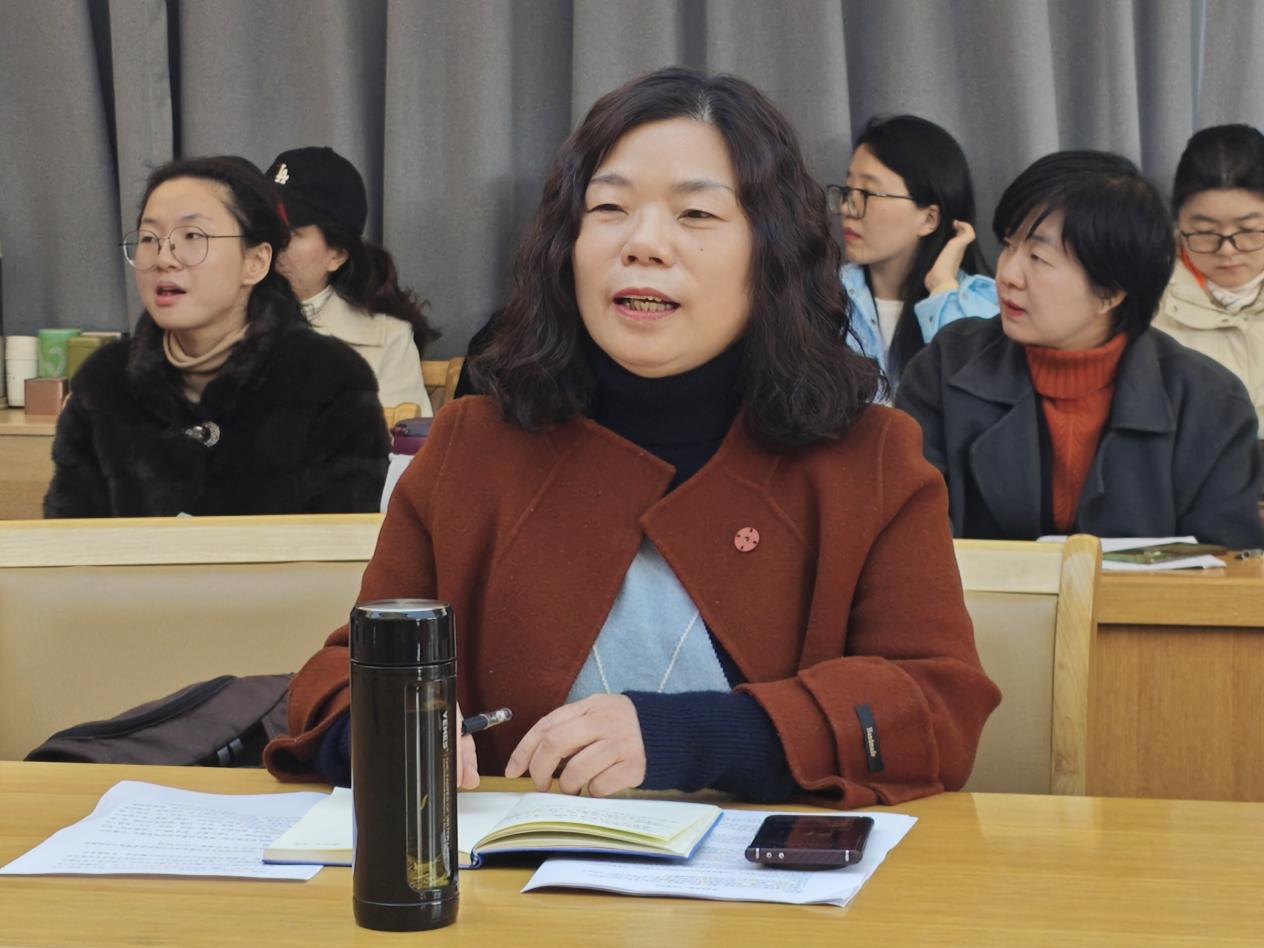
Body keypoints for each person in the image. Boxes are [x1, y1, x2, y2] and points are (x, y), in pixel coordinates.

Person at [265, 68, 1000, 807]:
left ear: (771, 250)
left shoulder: (870, 458)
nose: (643, 243)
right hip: (509, 878)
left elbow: (935, 709)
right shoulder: (472, 446)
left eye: (696, 214)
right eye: (609, 208)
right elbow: (343, 675)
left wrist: (700, 734)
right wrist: (381, 726)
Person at [895, 151, 1264, 547]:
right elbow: (909, 537)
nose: (1008, 274)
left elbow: (1227, 565)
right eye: (1009, 246)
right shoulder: (945, 368)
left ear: (1111, 292)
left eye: (1038, 257)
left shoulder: (1209, 401)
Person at [43, 156, 389, 518]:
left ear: (256, 262)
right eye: (149, 238)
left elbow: (344, 540)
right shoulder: (104, 381)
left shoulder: (330, 379)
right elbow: (67, 536)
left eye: (192, 236)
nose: (164, 258)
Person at [829, 114, 996, 388]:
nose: (847, 208)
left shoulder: (985, 306)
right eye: (848, 191)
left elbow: (976, 396)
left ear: (929, 219)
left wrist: (942, 289)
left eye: (868, 193)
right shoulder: (823, 297)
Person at [266, 146, 437, 411]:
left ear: (337, 254)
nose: (270, 244)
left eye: (290, 234)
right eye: (265, 226)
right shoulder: (218, 320)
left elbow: (401, 434)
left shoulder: (387, 338)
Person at [1152, 124, 1264, 432]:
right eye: (1205, 232)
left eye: (1249, 230)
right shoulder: (1144, 298)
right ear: (1179, 222)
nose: (1227, 251)